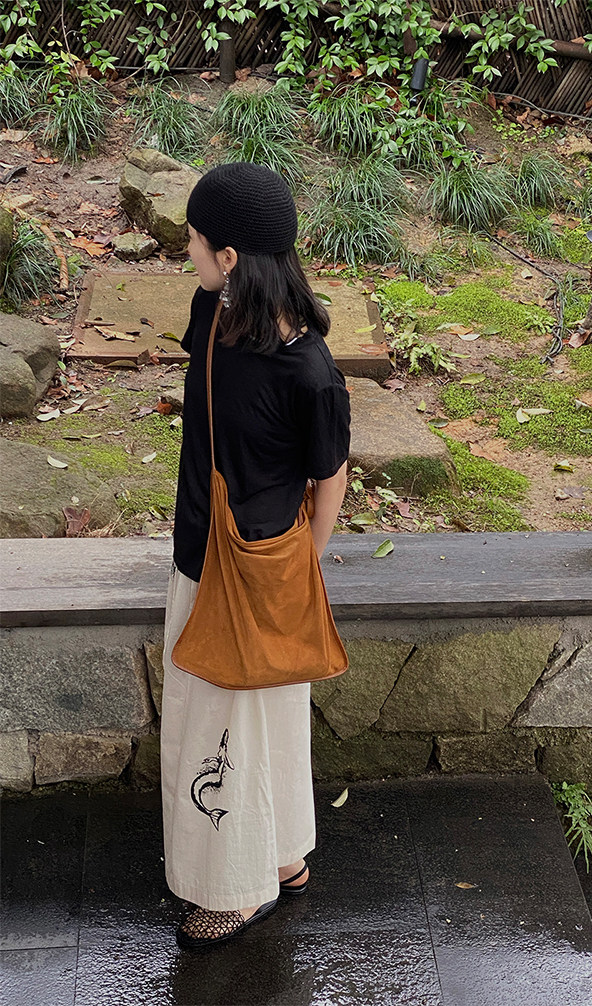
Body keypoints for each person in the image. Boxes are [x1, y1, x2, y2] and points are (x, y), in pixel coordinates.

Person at [159, 162, 351, 951]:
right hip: (201, 552)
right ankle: (281, 858)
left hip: (257, 572)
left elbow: (331, 477)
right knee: (254, 728)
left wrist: (300, 569)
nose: (189, 252)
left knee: (224, 736)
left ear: (231, 256)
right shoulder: (213, 309)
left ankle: (236, 893)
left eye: (195, 241)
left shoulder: (310, 371)